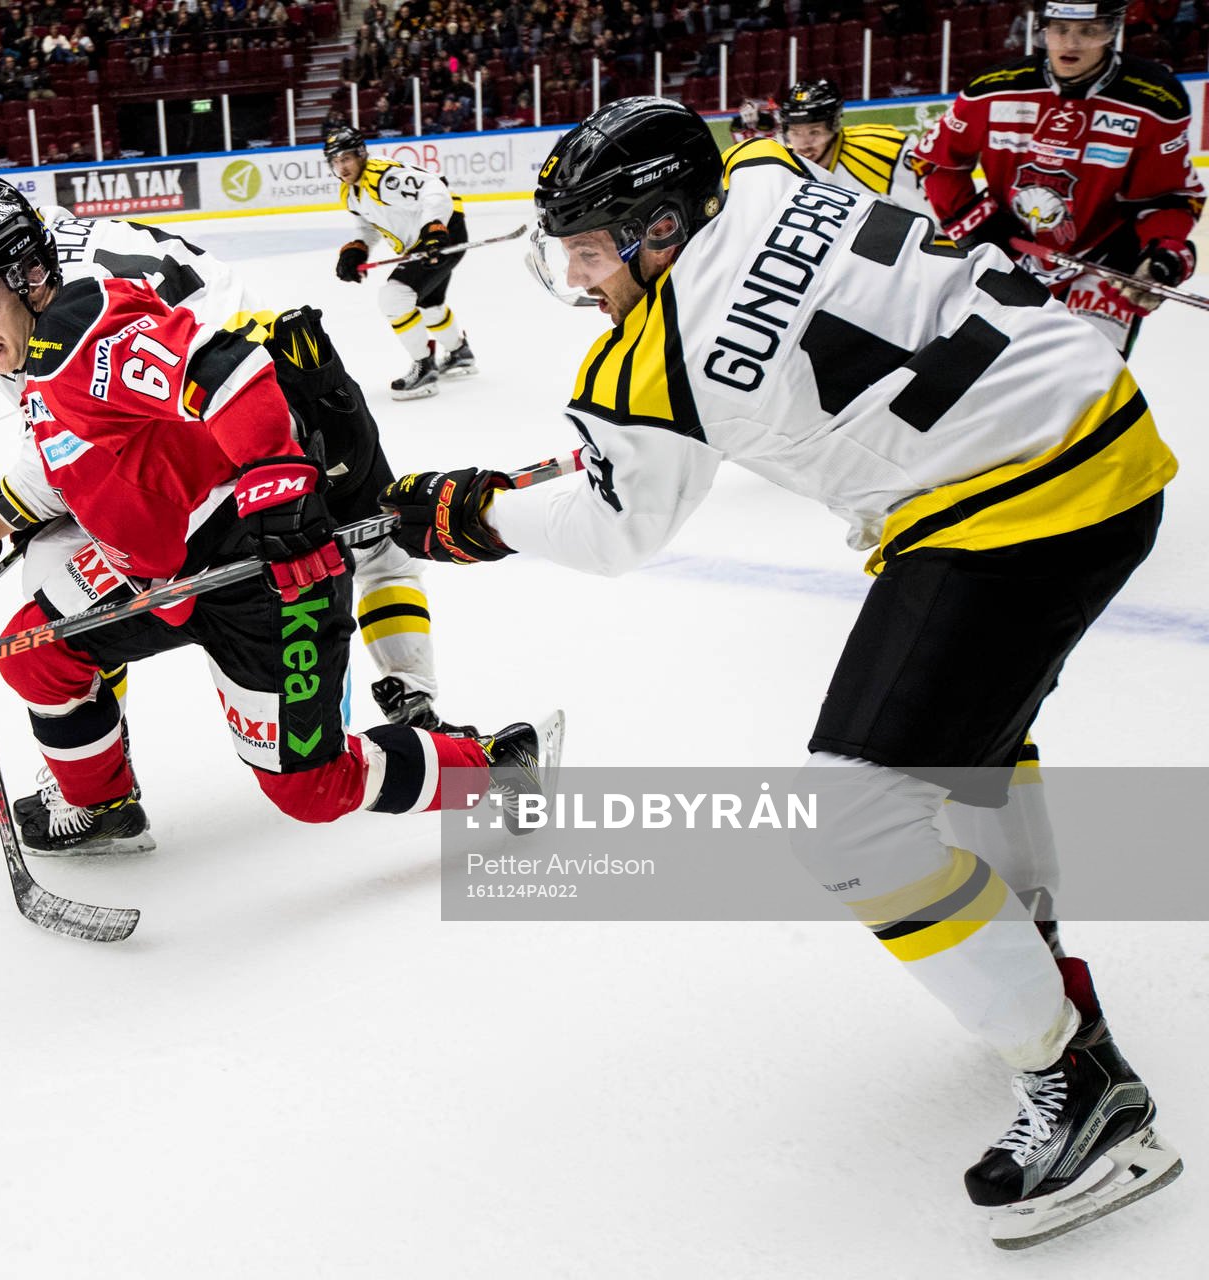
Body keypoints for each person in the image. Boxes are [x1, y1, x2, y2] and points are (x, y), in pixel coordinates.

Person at [379, 96, 1182, 1250]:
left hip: (1012, 504)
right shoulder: (759, 166)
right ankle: (1034, 957)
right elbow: (893, 182)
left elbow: (616, 530)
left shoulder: (650, 359)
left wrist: (477, 520)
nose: (582, 276)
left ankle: (1084, 1090)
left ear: (661, 229)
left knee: (858, 818)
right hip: (1101, 429)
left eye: (593, 250)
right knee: (966, 738)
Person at [0, 180, 559, 855]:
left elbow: (224, 367)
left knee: (313, 789)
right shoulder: (41, 329)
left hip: (258, 549)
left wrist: (276, 485)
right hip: (168, 562)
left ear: (29, 274)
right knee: (37, 653)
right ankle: (100, 806)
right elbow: (68, 455)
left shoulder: (77, 333)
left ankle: (497, 765)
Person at [909, 0, 1203, 355]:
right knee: (985, 373)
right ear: (1044, 29)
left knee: (1086, 380)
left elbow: (1168, 197)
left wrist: (1163, 251)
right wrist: (978, 224)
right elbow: (936, 162)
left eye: (1088, 30)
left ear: (1111, 31)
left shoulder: (1155, 102)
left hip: (1103, 263)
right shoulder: (993, 90)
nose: (1071, 43)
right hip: (1009, 256)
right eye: (1060, 29)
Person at [325, 127, 475, 401]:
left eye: (345, 158)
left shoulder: (383, 177)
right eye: (335, 162)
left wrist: (434, 227)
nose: (341, 167)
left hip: (443, 232)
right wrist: (357, 249)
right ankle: (459, 353)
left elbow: (434, 187)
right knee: (428, 303)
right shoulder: (350, 192)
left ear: (360, 154)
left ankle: (425, 369)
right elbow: (368, 227)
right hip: (427, 237)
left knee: (394, 298)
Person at [776, 78, 927, 212]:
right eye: (795, 133)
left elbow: (935, 213)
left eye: (814, 132)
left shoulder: (881, 151)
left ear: (834, 126)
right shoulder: (781, 165)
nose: (803, 144)